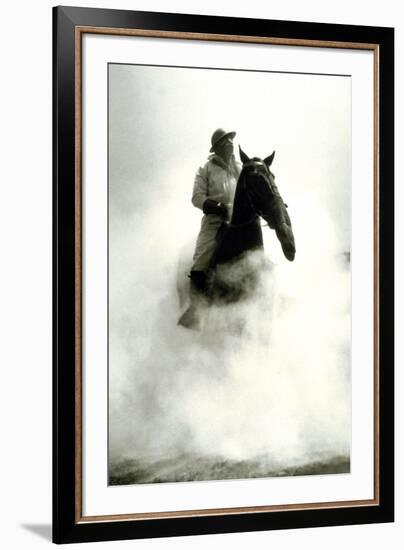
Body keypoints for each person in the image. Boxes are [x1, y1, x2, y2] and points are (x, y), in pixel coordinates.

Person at [189, 128, 241, 297]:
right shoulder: (205, 169)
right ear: (217, 147)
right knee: (201, 259)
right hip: (215, 222)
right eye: (225, 140)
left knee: (263, 261)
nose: (229, 143)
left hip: (240, 220)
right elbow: (197, 198)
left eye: (231, 139)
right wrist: (221, 208)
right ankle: (196, 307)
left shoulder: (240, 168)